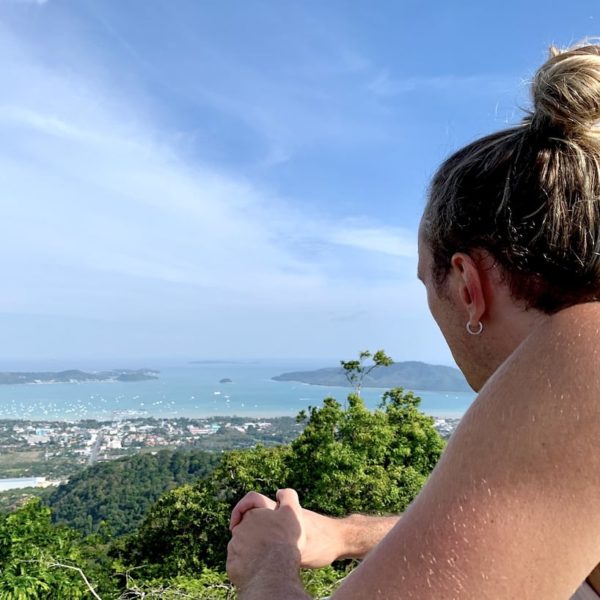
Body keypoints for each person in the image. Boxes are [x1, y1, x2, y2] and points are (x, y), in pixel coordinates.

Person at [226, 42, 600, 599]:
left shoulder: (585, 361)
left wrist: (265, 565)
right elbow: (506, 528)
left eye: (429, 285)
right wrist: (348, 534)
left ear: (470, 287)